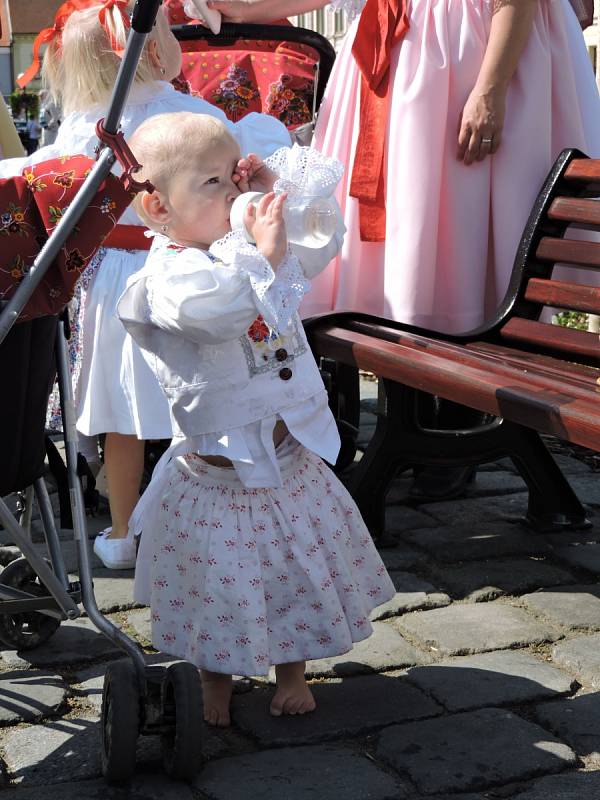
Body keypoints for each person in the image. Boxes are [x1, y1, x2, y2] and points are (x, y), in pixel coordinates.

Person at [208, 0, 600, 499]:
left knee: (468, 215)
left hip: (471, 54)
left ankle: (458, 419)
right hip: (400, 63)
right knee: (410, 229)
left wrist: (490, 88)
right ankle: (416, 414)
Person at [117, 111, 395, 725]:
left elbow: (320, 242)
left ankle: (292, 669)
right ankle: (215, 675)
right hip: (221, 472)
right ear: (157, 208)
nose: (231, 193)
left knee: (293, 567)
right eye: (211, 183)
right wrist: (262, 258)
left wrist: (274, 191)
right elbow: (213, 315)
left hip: (288, 456)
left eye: (231, 174)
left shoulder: (241, 247)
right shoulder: (166, 276)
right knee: (221, 578)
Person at [0, 0, 292, 568]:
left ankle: (123, 530)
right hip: (183, 264)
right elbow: (234, 157)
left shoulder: (86, 124)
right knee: (198, 401)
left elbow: (44, 180)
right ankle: (222, 517)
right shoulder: (185, 111)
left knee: (123, 415)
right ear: (152, 46)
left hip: (112, 282)